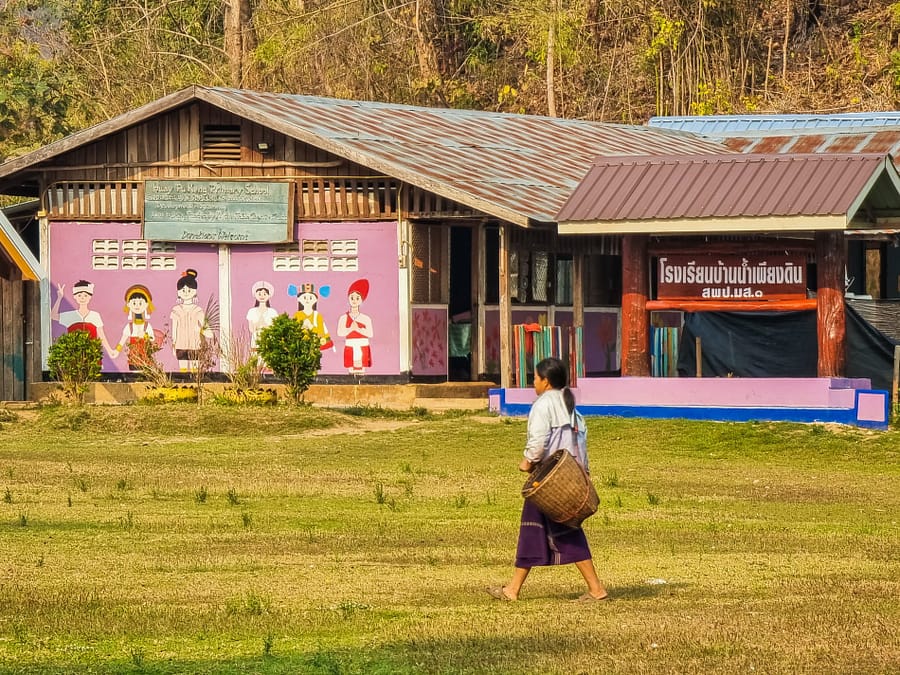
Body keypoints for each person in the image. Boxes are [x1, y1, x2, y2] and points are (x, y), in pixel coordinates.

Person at [488, 357, 608, 602]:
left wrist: (527, 461)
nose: (534, 382)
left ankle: (596, 590)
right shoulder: (571, 408)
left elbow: (538, 441)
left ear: (546, 381)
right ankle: (512, 589)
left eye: (535, 378)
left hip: (546, 482)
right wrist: (583, 473)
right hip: (568, 478)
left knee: (563, 532)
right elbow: (580, 444)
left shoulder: (543, 405)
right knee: (535, 532)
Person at [336, 278, 373, 373]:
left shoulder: (365, 318)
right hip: (350, 345)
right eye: (352, 298)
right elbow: (340, 332)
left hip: (362, 345)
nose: (354, 301)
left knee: (362, 368)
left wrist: (358, 329)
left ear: (361, 300)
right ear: (348, 298)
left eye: (357, 298)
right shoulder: (344, 317)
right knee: (351, 368)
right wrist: (350, 329)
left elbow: (370, 333)